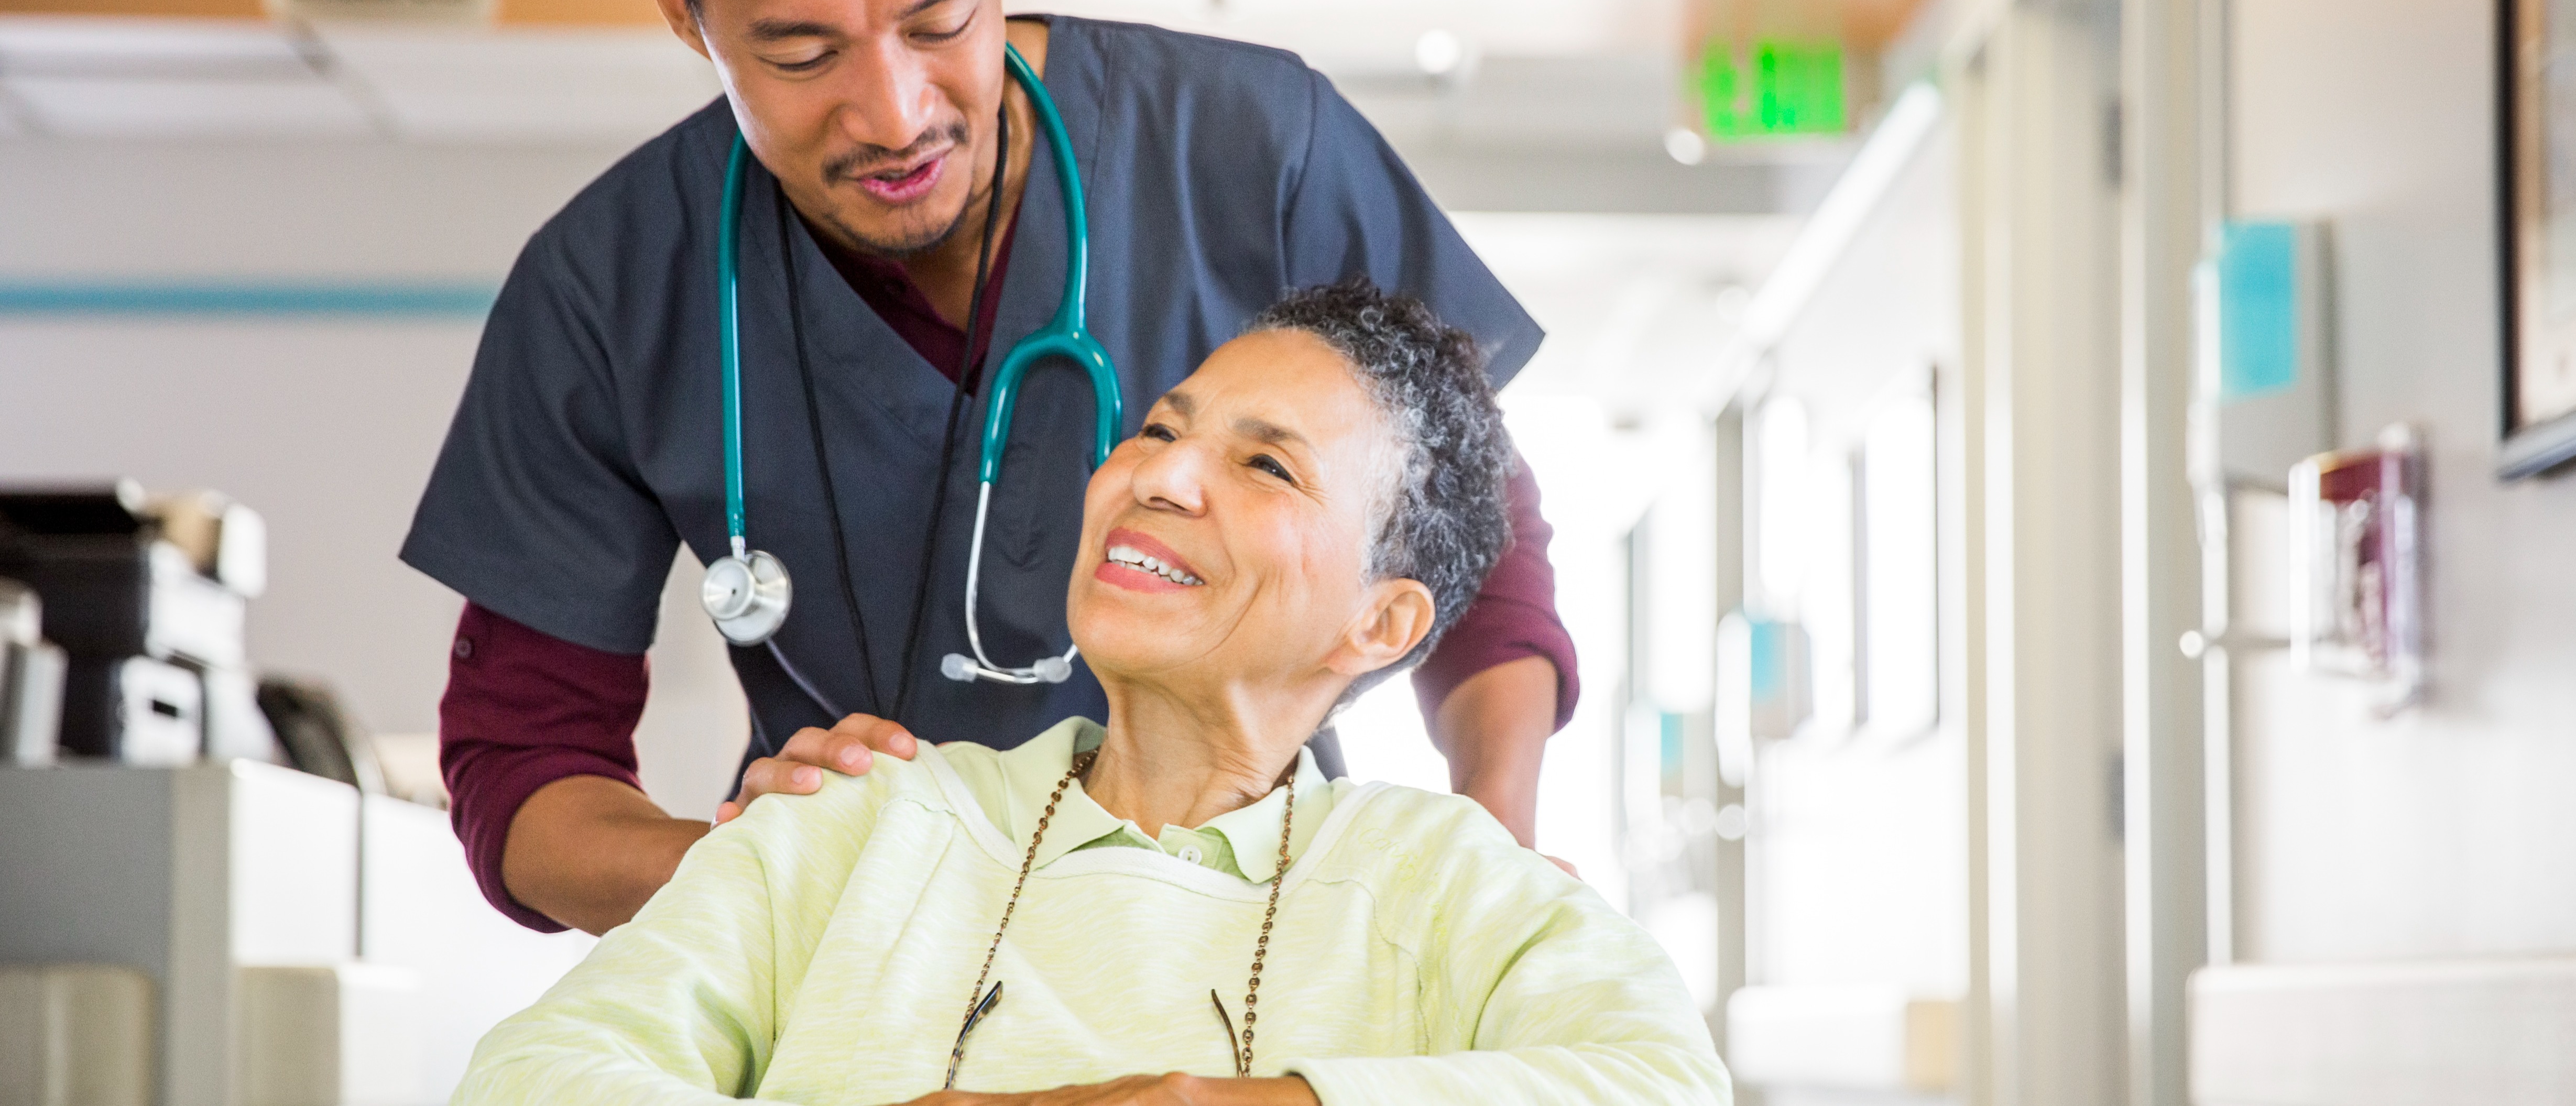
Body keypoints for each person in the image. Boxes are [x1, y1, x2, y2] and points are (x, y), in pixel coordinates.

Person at [400, 0, 1578, 937]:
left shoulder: (1247, 150)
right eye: (804, 55)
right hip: (853, 976)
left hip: (1253, 935)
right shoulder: (609, 284)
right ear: (676, 2)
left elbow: (1471, 530)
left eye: (939, 20)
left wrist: (1489, 850)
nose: (895, 115)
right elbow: (523, 764)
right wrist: (759, 877)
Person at [450, 282, 1726, 1106]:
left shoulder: (1439, 877)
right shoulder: (858, 820)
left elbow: (1660, 1084)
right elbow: (535, 1078)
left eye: (1266, 466)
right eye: (1161, 431)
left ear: (1376, 622)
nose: (1159, 479)